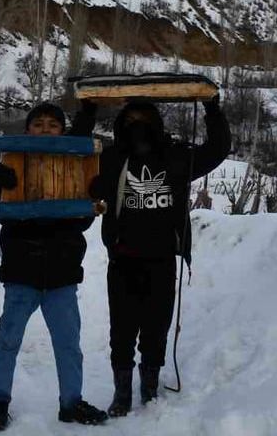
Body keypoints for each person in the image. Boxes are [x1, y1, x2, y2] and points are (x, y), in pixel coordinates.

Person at [84, 96, 230, 416]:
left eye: (145, 120)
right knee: (122, 331)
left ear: (157, 124)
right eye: (130, 121)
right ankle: (122, 392)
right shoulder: (111, 159)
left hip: (162, 259)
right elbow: (76, 155)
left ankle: (149, 385)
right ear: (121, 125)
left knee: (156, 328)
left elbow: (217, 150)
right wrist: (88, 110)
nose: (138, 127)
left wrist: (212, 109)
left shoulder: (175, 157)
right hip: (122, 259)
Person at [0, 103, 108, 431]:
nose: (46, 129)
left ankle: (71, 402)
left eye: (53, 124)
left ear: (62, 131)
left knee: (68, 343)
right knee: (8, 339)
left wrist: (91, 196)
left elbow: (83, 222)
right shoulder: (12, 163)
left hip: (62, 271)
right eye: (38, 124)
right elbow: (4, 216)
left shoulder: (72, 166)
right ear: (27, 130)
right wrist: (3, 186)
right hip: (21, 269)